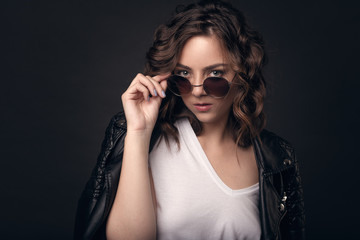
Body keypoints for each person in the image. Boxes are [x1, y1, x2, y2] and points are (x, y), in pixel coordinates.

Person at [74, 1, 305, 239]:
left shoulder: (277, 157)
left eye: (215, 75)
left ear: (242, 74)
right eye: (183, 75)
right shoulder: (144, 139)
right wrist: (139, 133)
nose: (197, 91)